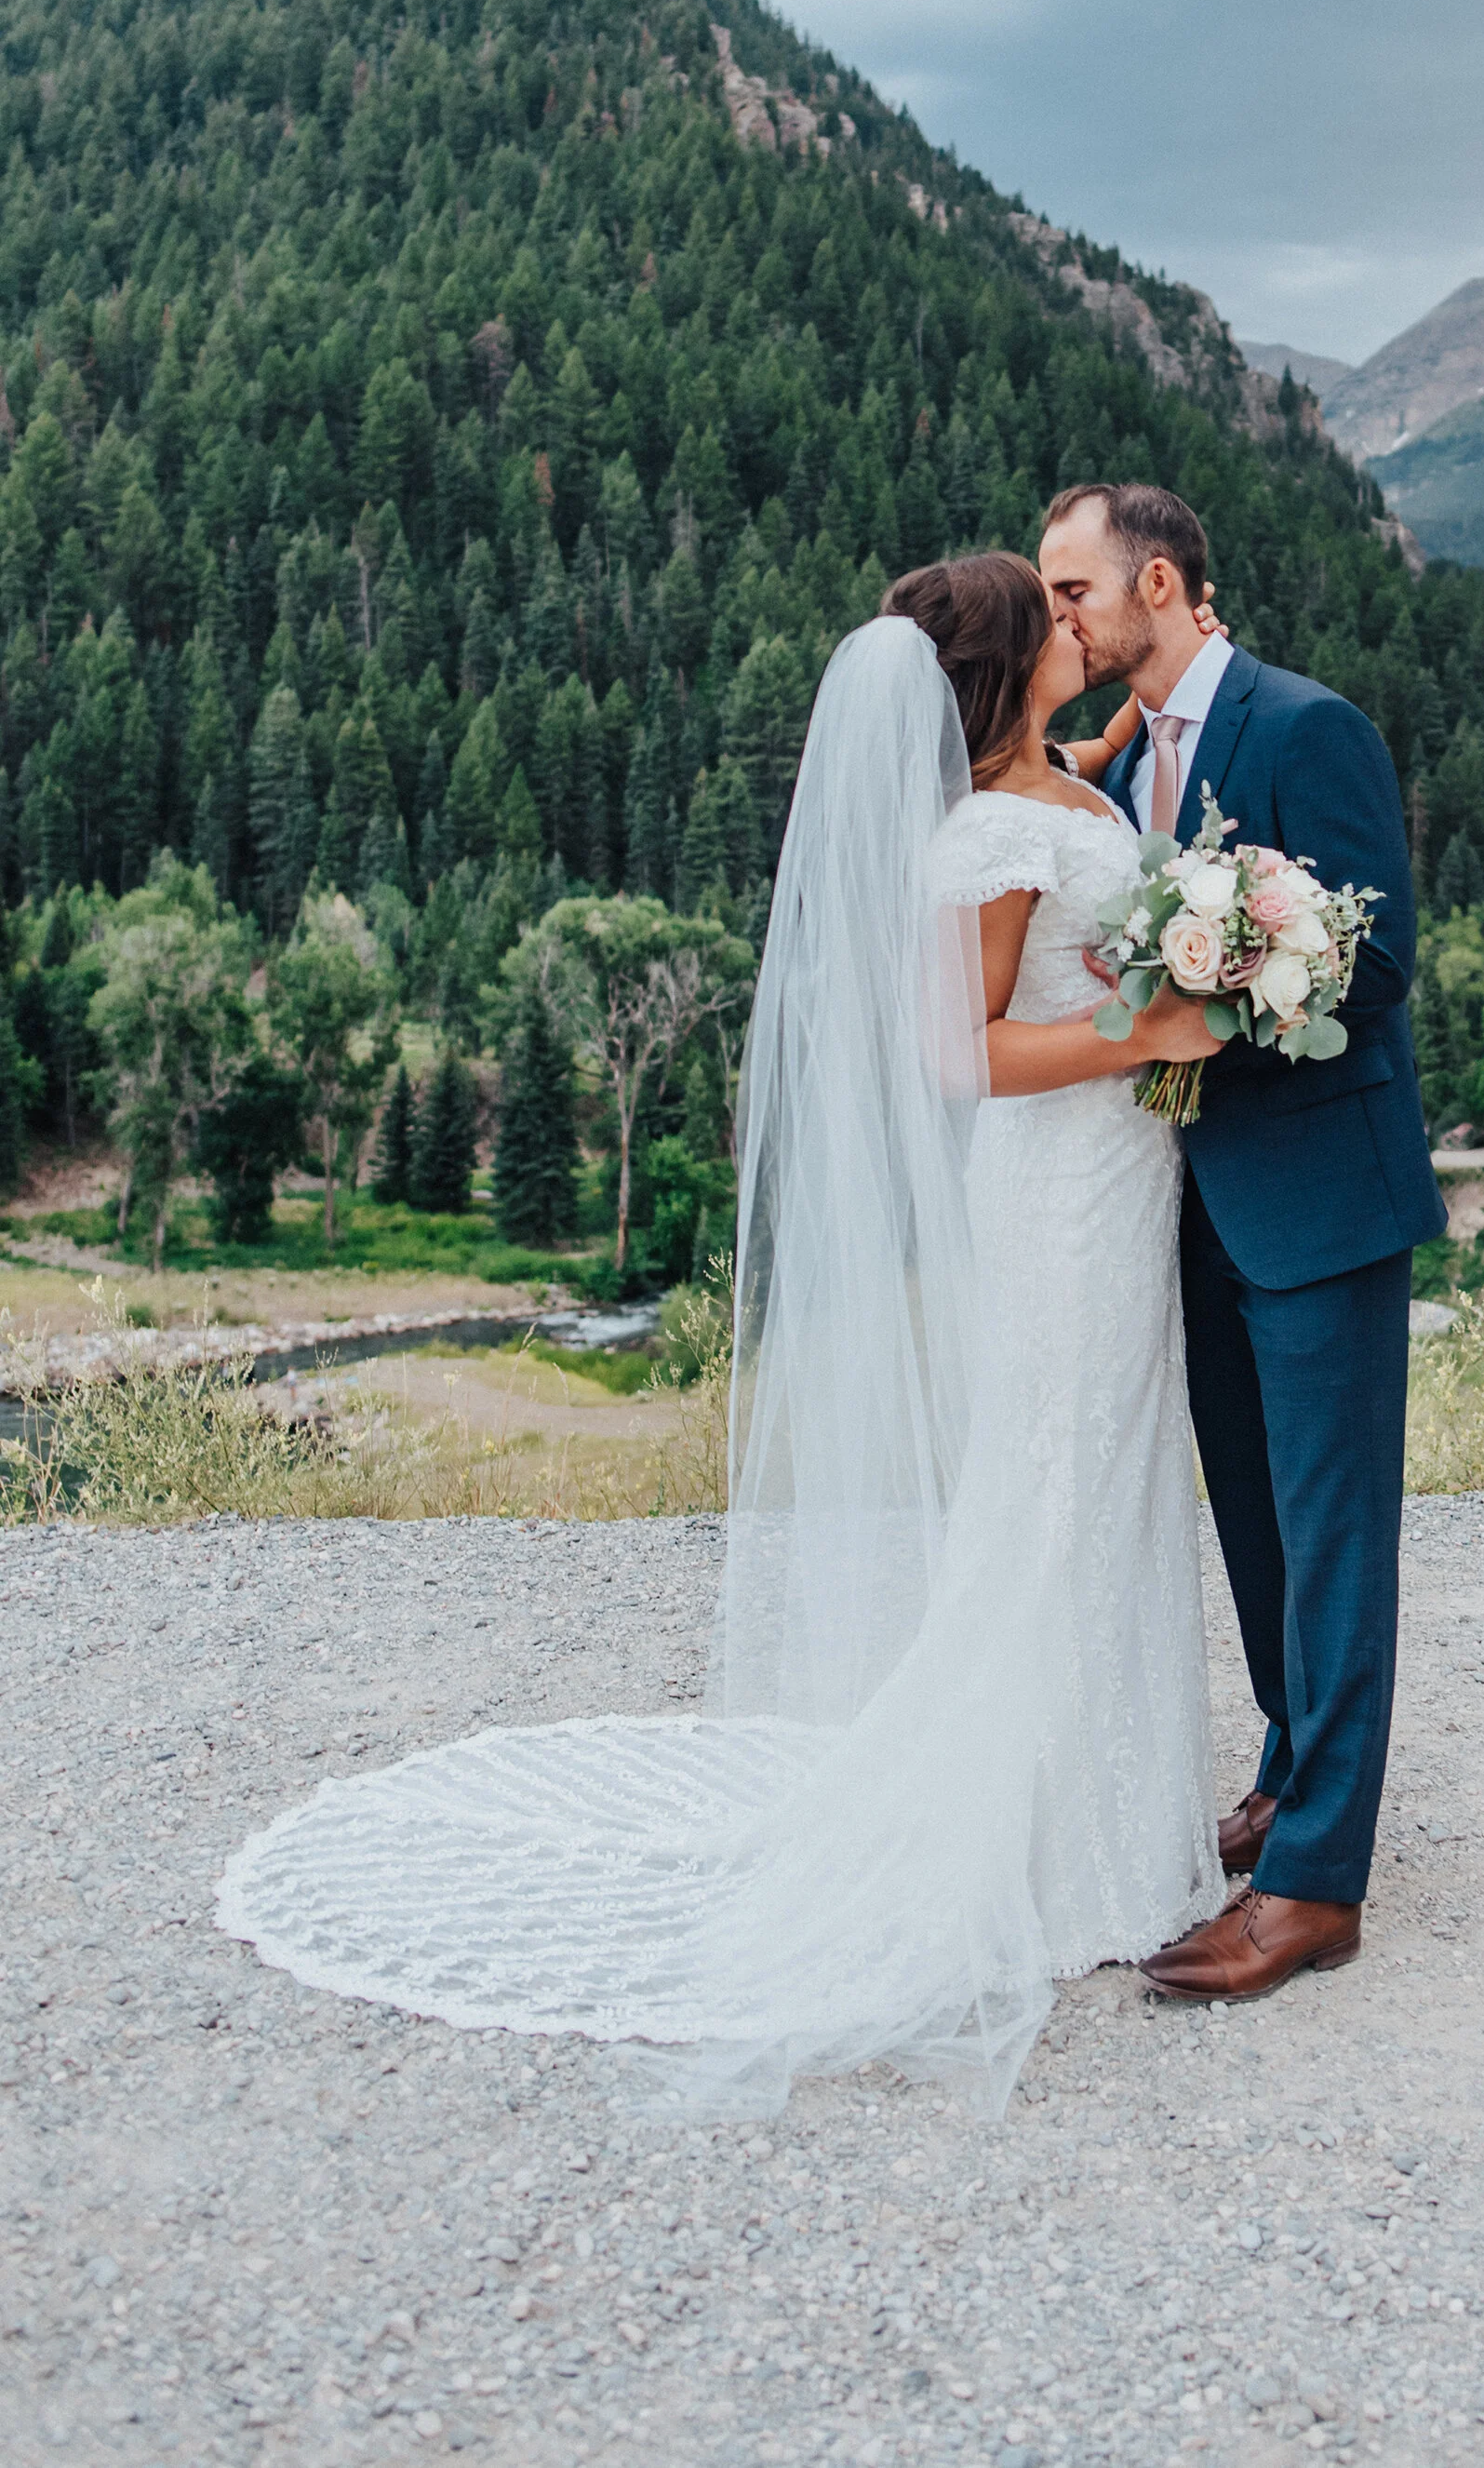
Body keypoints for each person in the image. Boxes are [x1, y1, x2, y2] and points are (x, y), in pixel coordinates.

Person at [216, 555, 1223, 2117]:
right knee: (1057, 1488)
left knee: (1115, 1481)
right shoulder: (989, 836)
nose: (1076, 620)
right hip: (1059, 1200)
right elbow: (954, 1056)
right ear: (1018, 658)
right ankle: (1050, 1854)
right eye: (1055, 609)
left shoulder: (1059, 783)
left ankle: (1109, 1820)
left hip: (1119, 1180)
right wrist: (1143, 1027)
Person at [1039, 481, 1447, 2001]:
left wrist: (1213, 992)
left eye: (1073, 588)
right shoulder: (1127, 752)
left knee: (1337, 1536)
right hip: (1193, 1206)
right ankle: (1290, 1767)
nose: (1059, 617)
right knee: (1257, 1522)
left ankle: (1316, 1883)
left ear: (1160, 581)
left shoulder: (1306, 725)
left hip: (1321, 1199)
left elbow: (1379, 950)